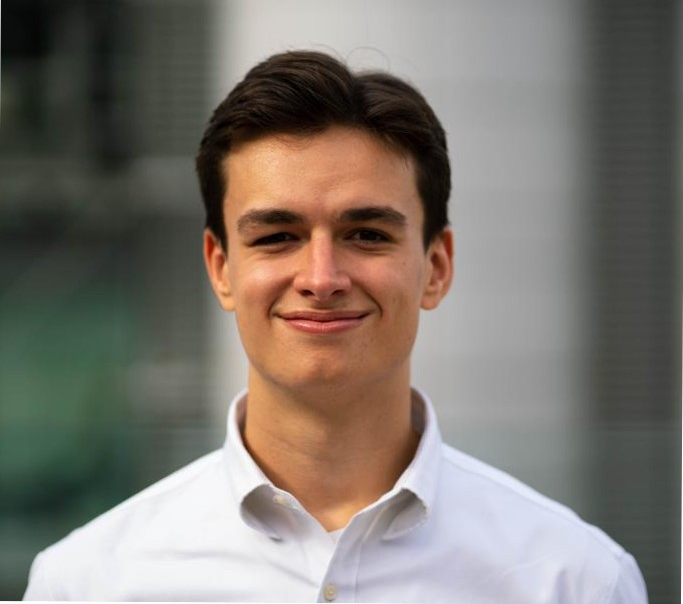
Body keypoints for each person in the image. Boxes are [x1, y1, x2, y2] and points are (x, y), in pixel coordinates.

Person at [23, 50, 648, 603]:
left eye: (367, 235)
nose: (321, 278)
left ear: (436, 267)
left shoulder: (574, 581)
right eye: (277, 236)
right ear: (221, 269)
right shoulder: (87, 585)